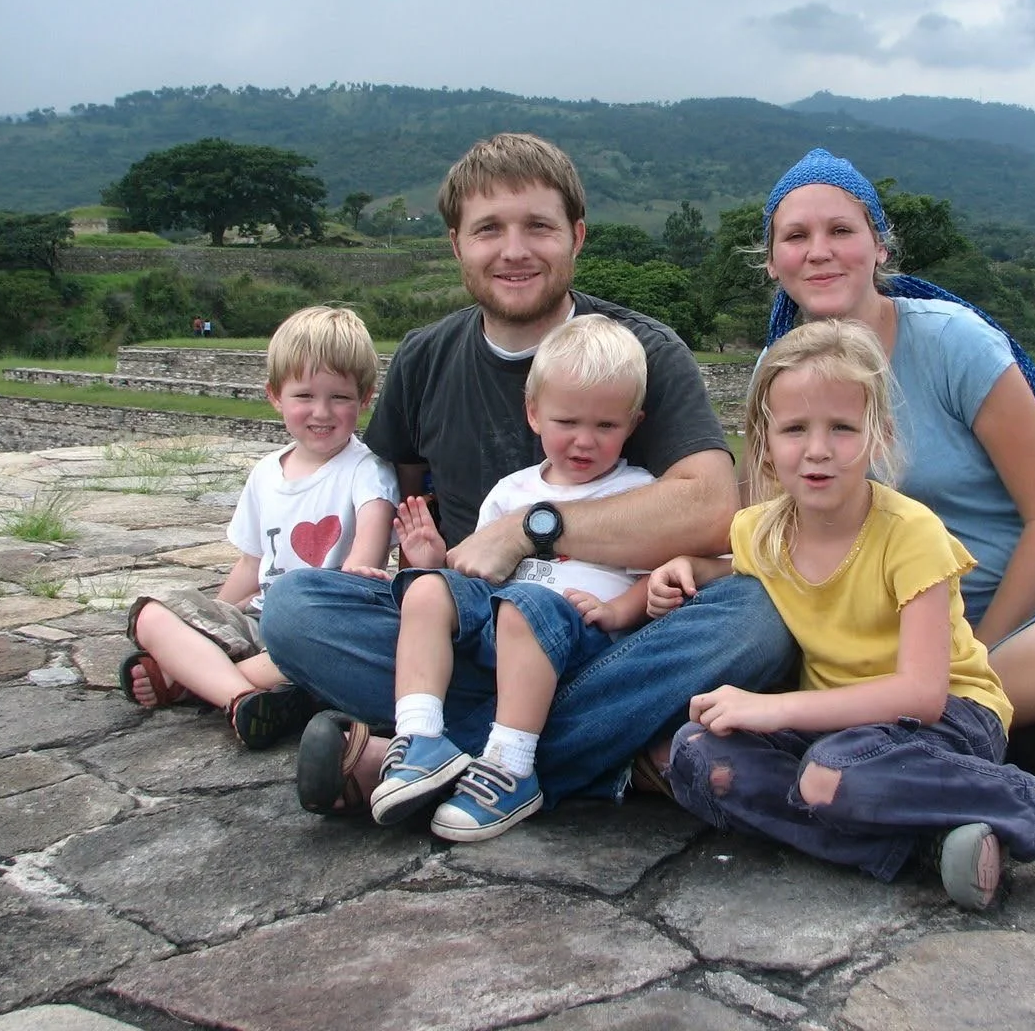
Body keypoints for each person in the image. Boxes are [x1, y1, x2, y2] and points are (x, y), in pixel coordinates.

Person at [261, 132, 795, 816]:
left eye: (538, 226)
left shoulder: (643, 352)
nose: (514, 251)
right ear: (456, 244)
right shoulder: (425, 359)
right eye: (488, 229)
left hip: (609, 639)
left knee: (757, 618)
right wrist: (413, 564)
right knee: (295, 610)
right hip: (474, 636)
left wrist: (526, 529)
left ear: (576, 236)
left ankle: (437, 751)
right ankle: (607, 755)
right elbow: (405, 502)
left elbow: (711, 509)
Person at [661, 319, 1035, 911]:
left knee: (836, 775)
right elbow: (737, 568)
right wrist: (683, 569)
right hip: (840, 727)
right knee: (697, 755)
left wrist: (773, 708)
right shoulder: (760, 530)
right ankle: (933, 844)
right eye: (795, 429)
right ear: (763, 441)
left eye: (842, 428)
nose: (818, 449)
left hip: (949, 719)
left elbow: (921, 695)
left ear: (879, 435)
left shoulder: (911, 534)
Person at [756, 148, 1035, 779]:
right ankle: (981, 729)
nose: (819, 251)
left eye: (841, 230)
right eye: (797, 236)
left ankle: (918, 717)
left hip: (1033, 621)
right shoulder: (780, 372)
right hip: (898, 636)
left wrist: (975, 657)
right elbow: (772, 528)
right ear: (772, 261)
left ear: (879, 246)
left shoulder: (953, 341)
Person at [373, 315, 659, 840]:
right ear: (533, 413)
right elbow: (481, 577)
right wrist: (435, 564)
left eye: (606, 427)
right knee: (427, 590)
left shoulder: (639, 492)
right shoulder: (511, 491)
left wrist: (619, 610)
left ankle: (511, 764)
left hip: (580, 641)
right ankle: (420, 737)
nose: (584, 441)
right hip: (500, 633)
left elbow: (654, 575)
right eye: (566, 421)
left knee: (527, 605)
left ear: (634, 423)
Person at [119, 305, 398, 749]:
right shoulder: (267, 473)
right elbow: (251, 565)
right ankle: (242, 698)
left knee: (303, 656)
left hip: (314, 628)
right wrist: (208, 625)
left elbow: (364, 559)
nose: (321, 412)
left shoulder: (368, 472)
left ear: (364, 398)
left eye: (339, 398)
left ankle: (193, 681)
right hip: (258, 618)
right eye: (304, 396)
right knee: (151, 613)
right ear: (275, 396)